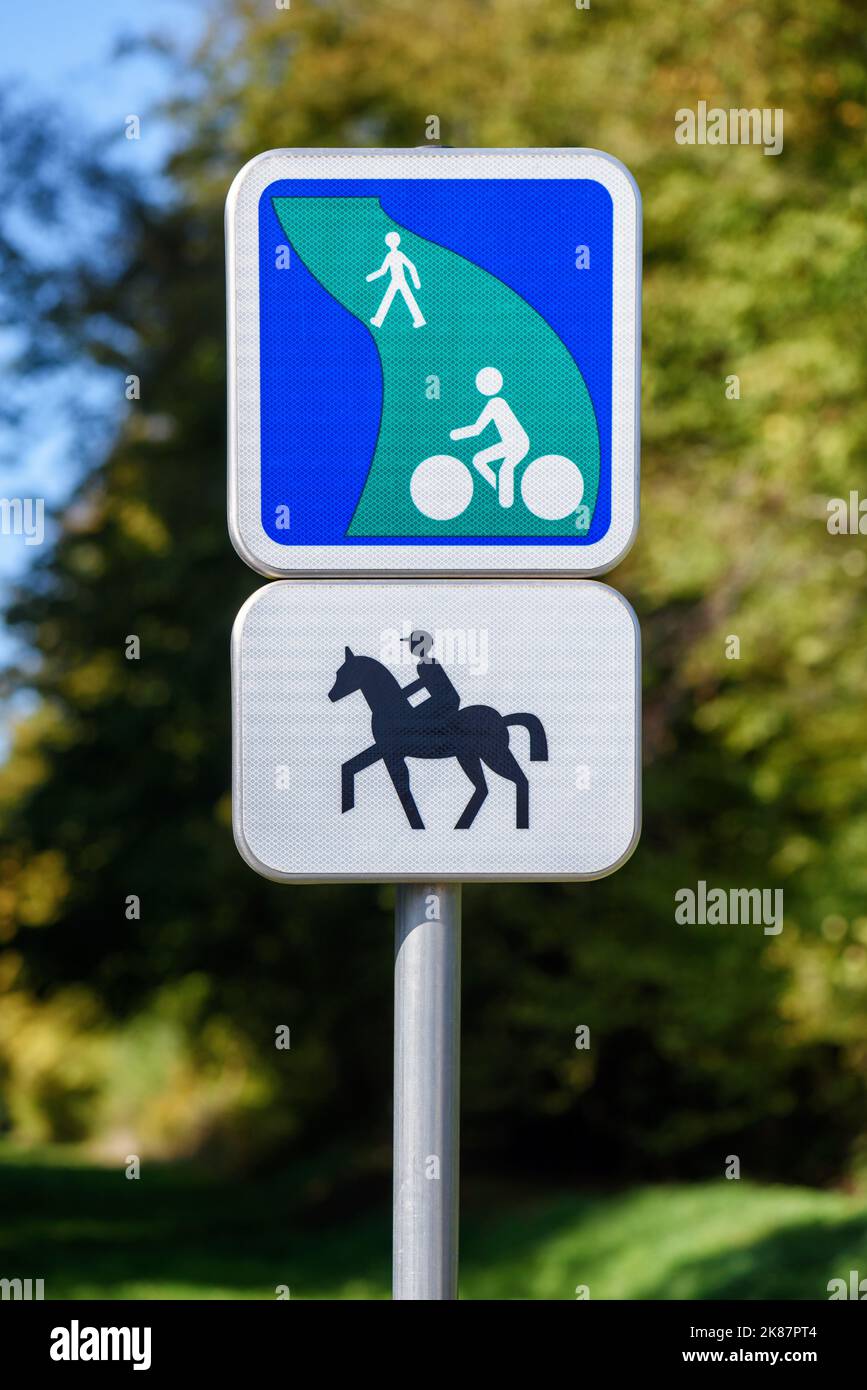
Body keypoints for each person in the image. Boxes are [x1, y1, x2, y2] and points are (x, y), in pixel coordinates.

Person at [449, 367, 530, 507]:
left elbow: (477, 430)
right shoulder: (494, 403)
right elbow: (478, 429)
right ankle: (500, 491)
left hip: (518, 444)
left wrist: (456, 434)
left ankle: (505, 500)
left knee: (505, 468)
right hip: (509, 444)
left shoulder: (497, 403)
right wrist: (457, 434)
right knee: (479, 460)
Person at [366, 231, 426, 328]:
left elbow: (410, 266)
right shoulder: (392, 255)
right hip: (397, 280)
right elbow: (384, 270)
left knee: (392, 299)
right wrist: (371, 277)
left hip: (399, 280)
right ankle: (419, 320)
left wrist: (416, 282)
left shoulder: (395, 255)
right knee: (401, 299)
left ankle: (378, 320)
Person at [400, 630, 460, 716]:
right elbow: (424, 683)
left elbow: (424, 682)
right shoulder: (424, 665)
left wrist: (401, 694)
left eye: (412, 644)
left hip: (444, 701)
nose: (410, 647)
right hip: (443, 699)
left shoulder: (427, 664)